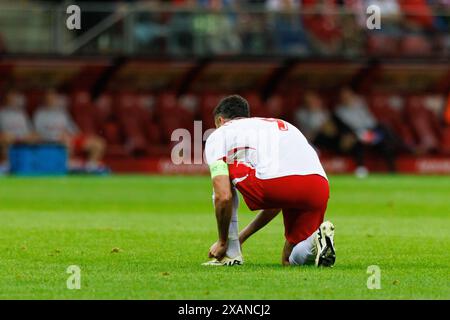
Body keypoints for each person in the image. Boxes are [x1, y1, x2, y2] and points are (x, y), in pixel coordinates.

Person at [203, 95, 336, 267]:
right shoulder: (280, 124)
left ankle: (231, 255)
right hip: (318, 185)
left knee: (223, 170)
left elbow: (223, 196)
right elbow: (276, 200)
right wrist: (241, 237)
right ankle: (315, 241)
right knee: (289, 259)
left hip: (276, 185)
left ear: (220, 121)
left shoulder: (220, 134)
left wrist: (223, 241)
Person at [33, 89, 107, 173]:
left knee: (98, 143)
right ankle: (68, 166)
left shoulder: (62, 113)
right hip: (53, 141)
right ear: (45, 100)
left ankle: (91, 167)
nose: (52, 100)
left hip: (69, 138)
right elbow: (37, 133)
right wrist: (58, 136)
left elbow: (73, 130)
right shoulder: (40, 114)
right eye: (49, 98)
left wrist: (80, 137)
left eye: (54, 98)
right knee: (66, 140)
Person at [335, 87, 397, 175]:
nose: (347, 98)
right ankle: (361, 168)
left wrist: (370, 131)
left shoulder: (361, 106)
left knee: (385, 132)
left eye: (348, 95)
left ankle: (392, 169)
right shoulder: (340, 111)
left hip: (371, 131)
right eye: (344, 96)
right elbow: (345, 127)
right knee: (357, 141)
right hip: (356, 133)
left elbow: (371, 121)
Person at [0, 90, 38, 173]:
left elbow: (31, 130)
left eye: (14, 99)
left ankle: (31, 165)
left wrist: (30, 136)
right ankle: (6, 166)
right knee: (6, 138)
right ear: (6, 100)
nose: (13, 101)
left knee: (35, 137)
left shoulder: (22, 113)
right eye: (11, 99)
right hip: (7, 138)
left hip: (22, 137)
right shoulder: (2, 113)